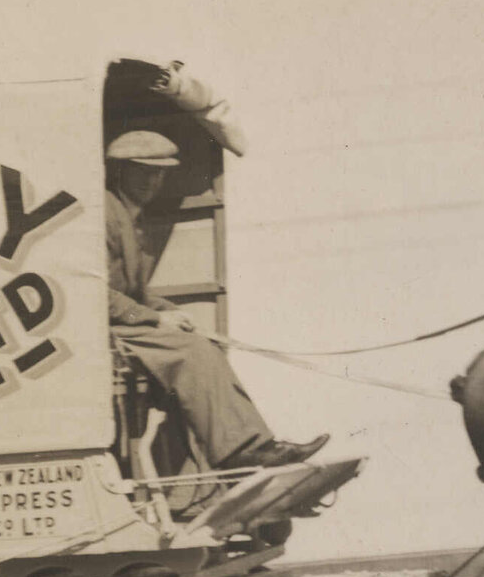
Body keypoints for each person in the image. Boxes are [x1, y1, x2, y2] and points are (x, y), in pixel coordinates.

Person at [105, 127, 327, 471]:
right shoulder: (105, 214)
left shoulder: (130, 216)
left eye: (160, 173)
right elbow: (95, 293)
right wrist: (154, 319)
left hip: (123, 327)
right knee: (193, 353)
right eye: (145, 171)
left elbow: (133, 290)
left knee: (199, 346)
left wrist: (167, 309)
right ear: (121, 170)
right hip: (104, 332)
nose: (153, 181)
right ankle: (244, 450)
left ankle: (239, 452)